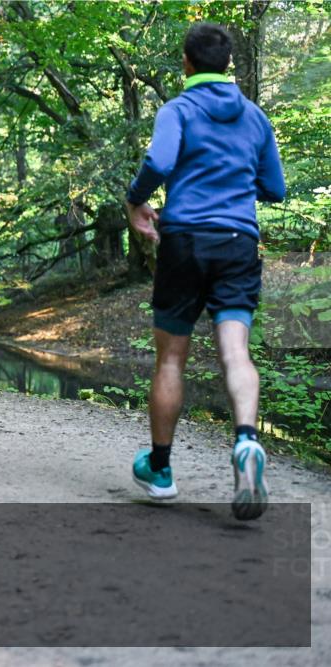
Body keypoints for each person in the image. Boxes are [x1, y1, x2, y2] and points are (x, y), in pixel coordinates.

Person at [126, 23, 285, 520]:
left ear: (186, 63)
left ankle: (161, 470)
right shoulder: (255, 118)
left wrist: (136, 200)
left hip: (186, 240)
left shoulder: (179, 109)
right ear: (229, 62)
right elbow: (275, 188)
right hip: (239, 243)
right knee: (235, 351)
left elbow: (159, 160)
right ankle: (246, 442)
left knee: (171, 358)